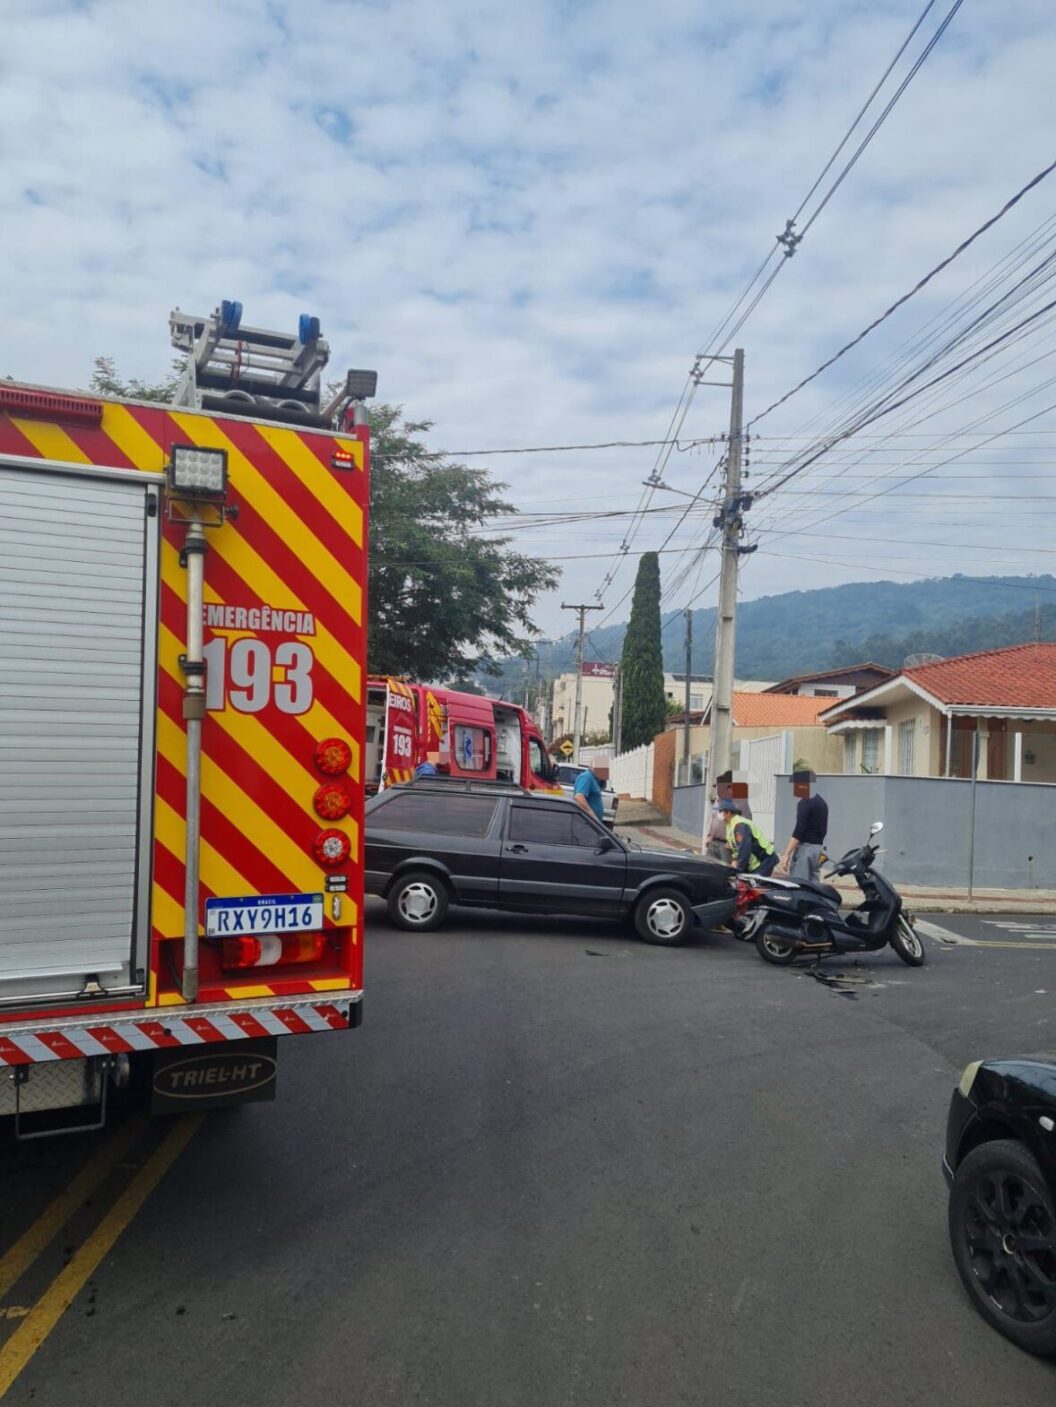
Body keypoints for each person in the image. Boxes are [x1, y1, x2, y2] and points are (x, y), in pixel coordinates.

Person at [780, 773, 828, 882]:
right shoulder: (822, 802)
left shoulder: (804, 803)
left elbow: (799, 830)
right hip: (818, 850)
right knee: (814, 886)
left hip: (805, 851)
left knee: (799, 885)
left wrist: (786, 854)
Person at [718, 797, 778, 876]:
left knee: (756, 882)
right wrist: (735, 860)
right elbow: (736, 847)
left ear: (728, 813)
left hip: (764, 859)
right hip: (756, 861)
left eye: (721, 812)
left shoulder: (740, 825)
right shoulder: (730, 824)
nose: (719, 815)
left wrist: (737, 869)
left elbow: (744, 849)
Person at [573, 758, 607, 824]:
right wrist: (592, 815)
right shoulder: (587, 777)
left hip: (589, 822)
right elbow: (579, 797)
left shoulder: (593, 778)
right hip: (586, 822)